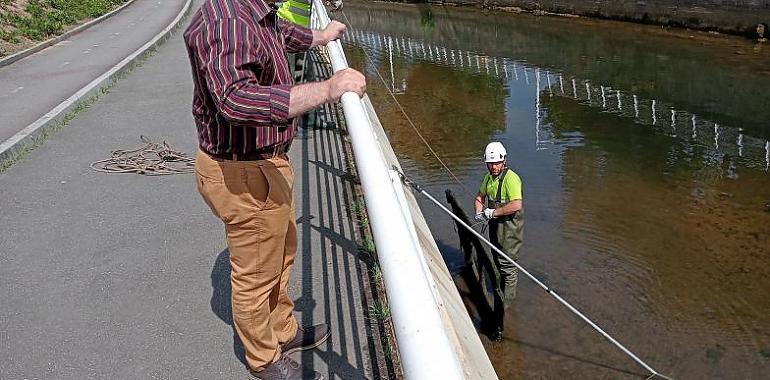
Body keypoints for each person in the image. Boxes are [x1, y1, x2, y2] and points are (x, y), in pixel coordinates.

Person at [183, 0, 366, 378]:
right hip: (240, 172)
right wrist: (330, 88)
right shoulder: (228, 20)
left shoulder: (255, 11)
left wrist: (322, 36)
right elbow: (235, 99)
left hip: (261, 164)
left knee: (280, 253)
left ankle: (282, 328)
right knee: (254, 275)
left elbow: (280, 33)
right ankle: (262, 358)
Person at [474, 141, 524, 302]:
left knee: (508, 266)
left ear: (504, 161)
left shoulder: (511, 179)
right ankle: (500, 292)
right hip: (495, 226)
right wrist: (479, 213)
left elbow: (516, 204)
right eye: (490, 164)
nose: (494, 167)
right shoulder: (488, 179)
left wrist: (494, 212)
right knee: (496, 258)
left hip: (510, 228)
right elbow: (480, 197)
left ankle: (506, 305)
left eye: (497, 163)